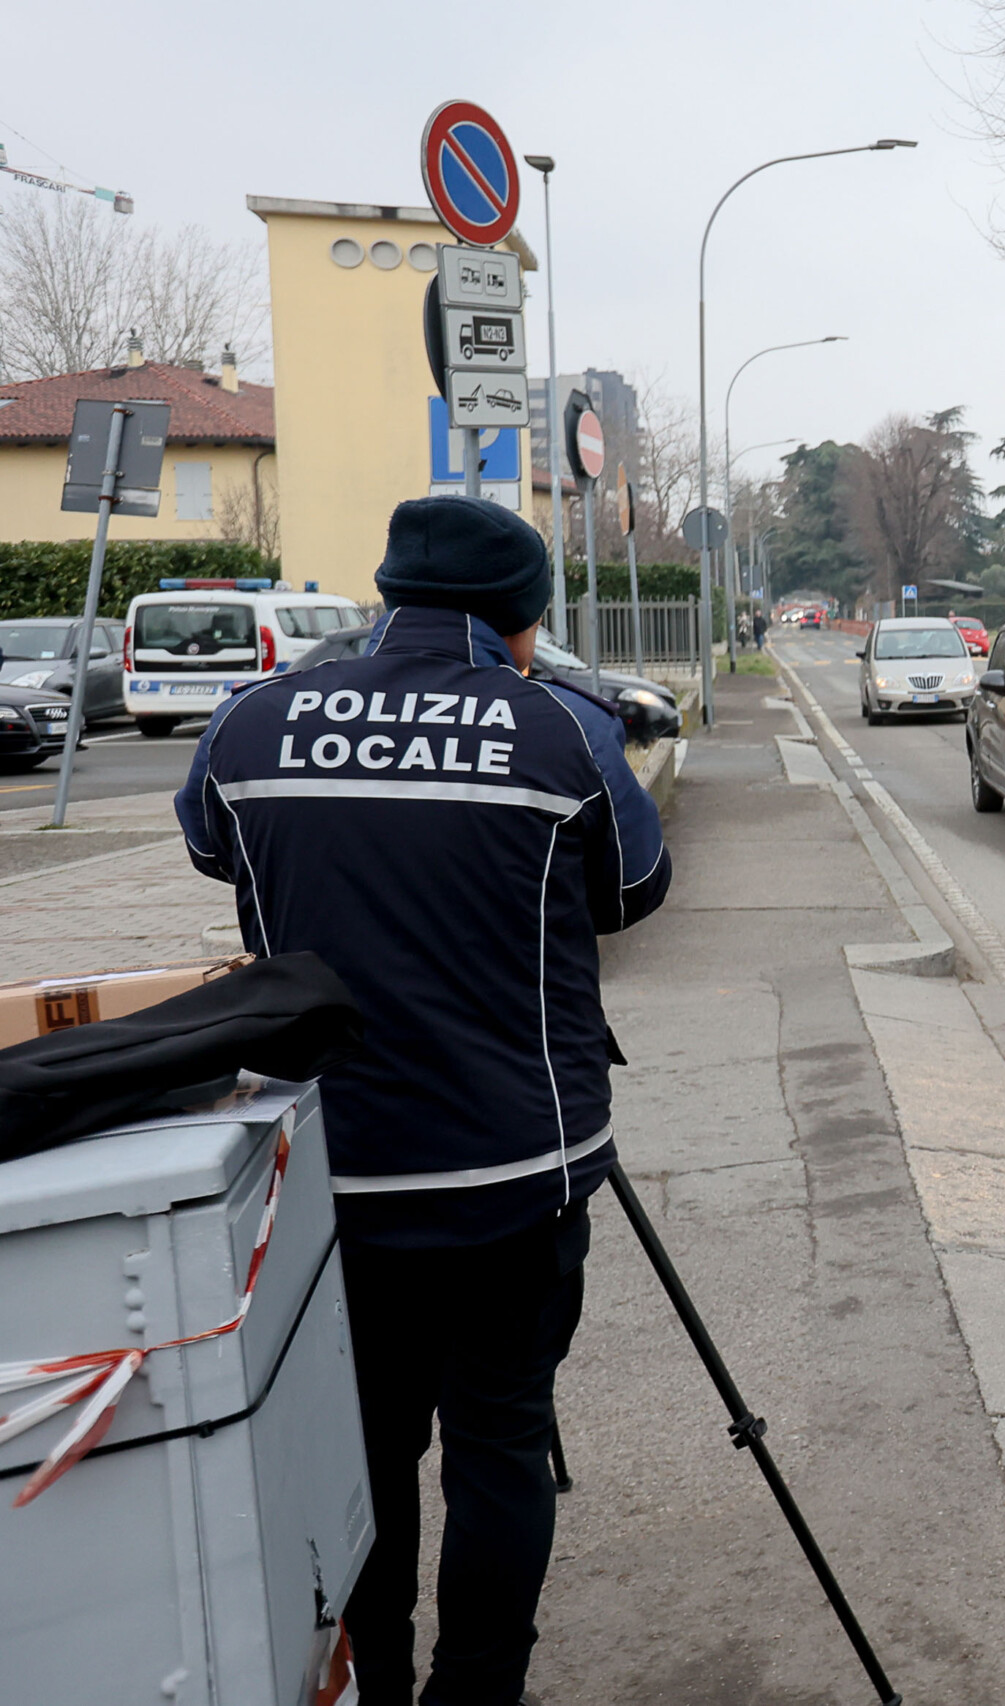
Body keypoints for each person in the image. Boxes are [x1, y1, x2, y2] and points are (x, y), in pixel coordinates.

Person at [177, 495, 673, 1702]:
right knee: (501, 1440)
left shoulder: (253, 721)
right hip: (517, 1164)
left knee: (366, 1447)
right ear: (524, 618)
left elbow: (209, 847)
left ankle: (379, 1680)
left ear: (388, 591)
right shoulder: (565, 728)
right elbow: (634, 890)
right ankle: (479, 1689)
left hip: (325, 1170)